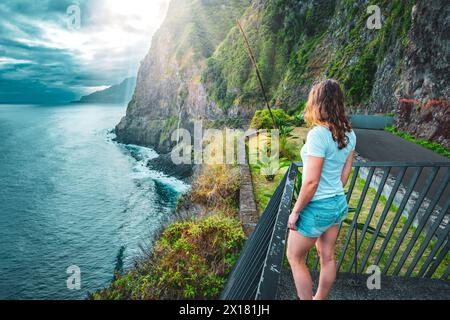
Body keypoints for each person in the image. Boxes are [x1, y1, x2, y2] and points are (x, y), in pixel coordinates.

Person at [287, 79, 356, 300]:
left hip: (317, 206)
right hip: (337, 203)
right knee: (327, 256)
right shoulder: (350, 134)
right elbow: (344, 177)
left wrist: (296, 211)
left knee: (294, 258)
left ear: (318, 103)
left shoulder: (318, 134)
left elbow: (311, 183)